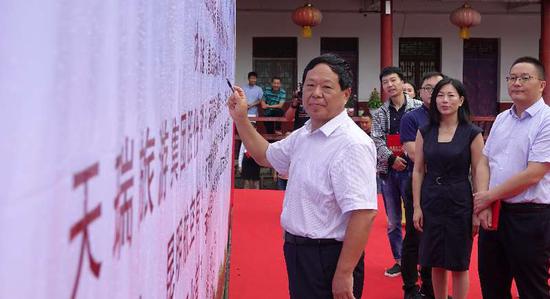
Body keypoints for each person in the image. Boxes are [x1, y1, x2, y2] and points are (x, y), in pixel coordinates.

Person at [227, 53, 378, 298]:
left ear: (346, 94)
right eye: (310, 85)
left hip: (329, 257)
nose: (316, 93)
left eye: (327, 87)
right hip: (299, 251)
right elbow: (266, 155)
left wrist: (343, 272)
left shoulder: (352, 143)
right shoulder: (305, 133)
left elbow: (364, 213)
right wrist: (242, 118)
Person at [473, 56, 550, 299]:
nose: (517, 83)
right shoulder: (502, 118)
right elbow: (485, 161)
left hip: (530, 217)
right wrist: (487, 201)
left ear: (541, 85)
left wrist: (487, 197)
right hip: (495, 212)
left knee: (532, 287)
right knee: (492, 284)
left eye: (525, 78)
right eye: (512, 78)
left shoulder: (546, 120)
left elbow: (535, 173)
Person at [412, 78, 486, 299]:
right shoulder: (425, 131)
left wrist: (477, 209)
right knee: (435, 261)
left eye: (451, 95)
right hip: (431, 200)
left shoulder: (472, 132)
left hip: (460, 200)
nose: (445, 100)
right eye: (440, 95)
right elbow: (417, 170)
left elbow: (479, 169)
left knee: (458, 262)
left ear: (461, 100)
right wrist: (416, 206)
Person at [372, 66, 422, 277]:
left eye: (393, 80)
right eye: (385, 82)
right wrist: (391, 158)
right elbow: (376, 139)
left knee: (416, 217)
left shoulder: (418, 108)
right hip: (389, 171)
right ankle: (400, 260)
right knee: (393, 220)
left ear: (402, 82)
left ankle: (418, 262)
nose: (390, 85)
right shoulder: (379, 112)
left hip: (415, 170)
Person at [399, 72, 445, 299]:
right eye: (428, 88)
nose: (433, 92)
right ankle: (410, 287)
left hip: (446, 187)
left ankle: (431, 287)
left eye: (438, 87)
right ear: (420, 92)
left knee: (437, 237)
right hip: (419, 184)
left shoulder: (450, 116)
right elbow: (413, 153)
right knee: (415, 237)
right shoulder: (412, 118)